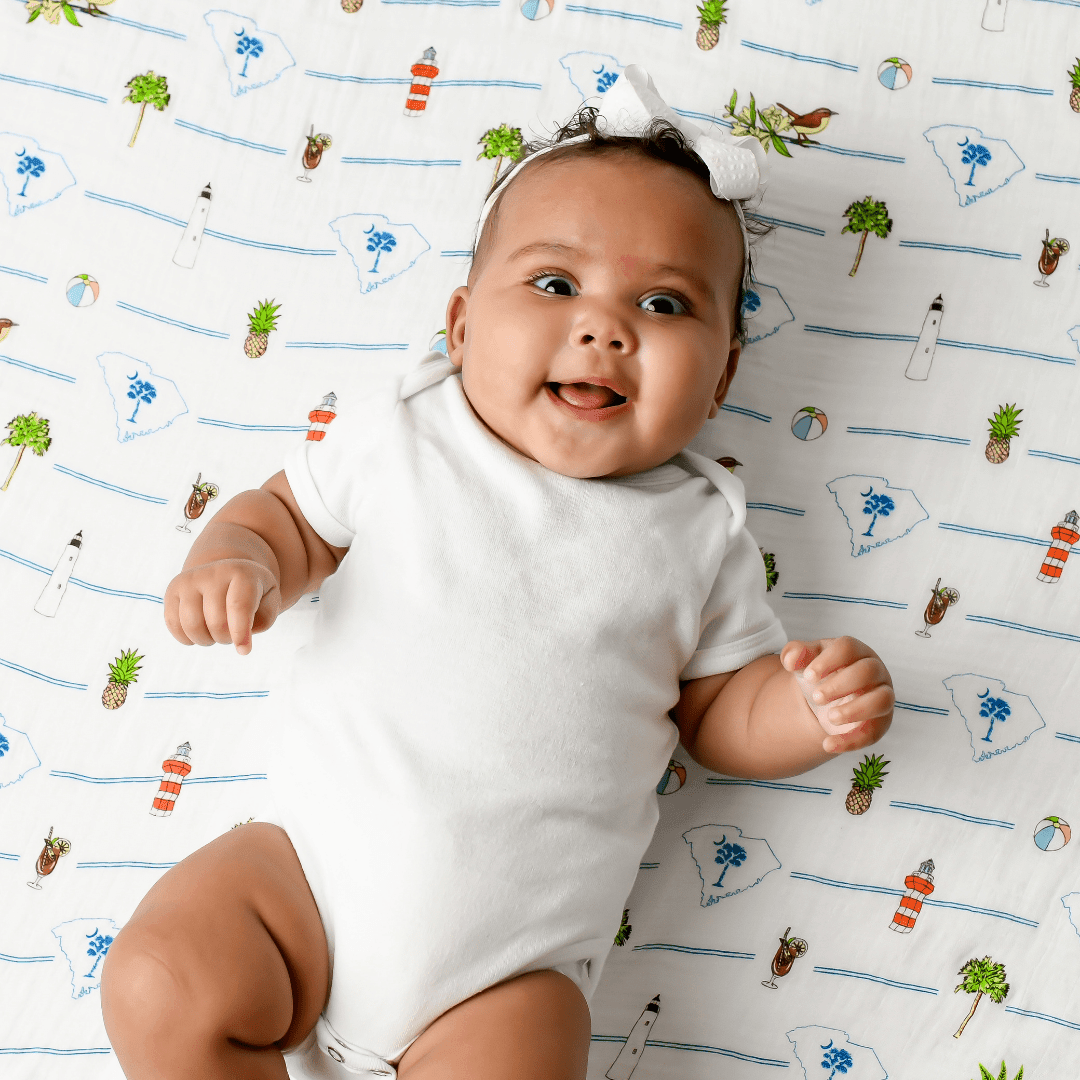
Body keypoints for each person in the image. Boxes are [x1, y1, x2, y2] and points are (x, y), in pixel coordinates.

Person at [100, 67, 894, 1080]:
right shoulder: (403, 434)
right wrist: (239, 559)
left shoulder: (700, 533)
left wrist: (805, 711)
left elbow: (721, 714)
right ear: (464, 324)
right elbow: (286, 518)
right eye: (556, 284)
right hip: (300, 884)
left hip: (506, 975)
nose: (605, 328)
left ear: (724, 374)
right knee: (162, 979)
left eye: (663, 302)